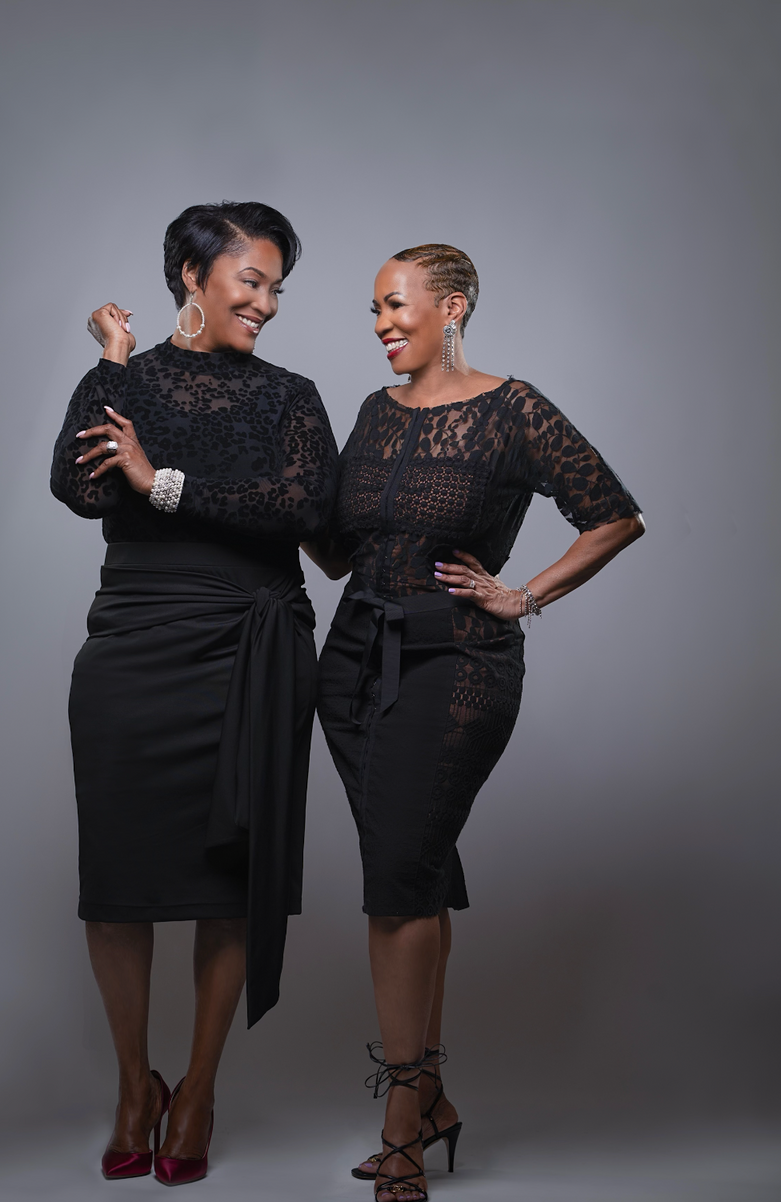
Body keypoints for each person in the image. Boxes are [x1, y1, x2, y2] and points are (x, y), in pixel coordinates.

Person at [306, 244, 644, 1202]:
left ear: (450, 307)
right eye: (373, 309)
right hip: (352, 662)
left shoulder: (512, 409)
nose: (380, 324)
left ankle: (401, 1120)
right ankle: (432, 1099)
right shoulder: (374, 410)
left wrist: (522, 594)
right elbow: (335, 553)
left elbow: (613, 515)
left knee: (395, 885)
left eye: (395, 304)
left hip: (455, 665)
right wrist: (270, 484)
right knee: (412, 873)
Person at [50, 201, 338, 1186]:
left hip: (249, 650)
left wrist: (161, 479)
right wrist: (112, 361)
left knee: (231, 877)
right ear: (190, 274)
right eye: (250, 281)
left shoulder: (290, 396)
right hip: (134, 647)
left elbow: (305, 507)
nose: (266, 303)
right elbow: (81, 488)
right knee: (117, 880)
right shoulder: (127, 380)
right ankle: (135, 1084)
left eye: (275, 288)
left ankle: (201, 1088)